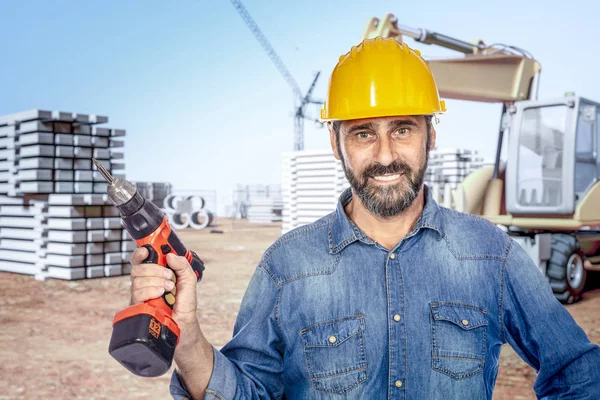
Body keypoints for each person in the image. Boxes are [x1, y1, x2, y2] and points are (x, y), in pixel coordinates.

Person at [129, 37, 600, 399]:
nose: (386, 155)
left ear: (430, 136)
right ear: (336, 144)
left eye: (402, 129)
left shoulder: (491, 255)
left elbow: (579, 374)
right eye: (362, 134)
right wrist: (187, 336)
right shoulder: (287, 268)